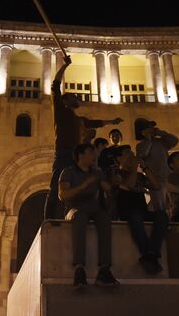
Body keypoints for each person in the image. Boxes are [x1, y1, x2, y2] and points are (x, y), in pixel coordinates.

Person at [44, 57, 123, 219]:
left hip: (77, 158)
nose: (76, 98)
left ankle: (69, 216)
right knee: (56, 188)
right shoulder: (61, 111)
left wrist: (111, 121)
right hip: (65, 153)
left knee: (75, 188)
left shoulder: (79, 120)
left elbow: (95, 123)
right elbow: (54, 86)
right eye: (73, 96)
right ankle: (49, 220)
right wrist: (64, 65)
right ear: (65, 101)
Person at [59, 143, 119, 288]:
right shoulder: (68, 172)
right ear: (80, 155)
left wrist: (111, 185)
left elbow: (108, 189)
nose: (94, 155)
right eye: (90, 152)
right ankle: (79, 269)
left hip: (94, 208)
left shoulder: (97, 172)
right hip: (74, 208)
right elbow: (63, 195)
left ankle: (104, 270)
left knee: (105, 219)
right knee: (79, 218)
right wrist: (84, 185)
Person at [113, 145, 168, 274]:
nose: (132, 155)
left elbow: (156, 186)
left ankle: (151, 253)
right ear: (119, 158)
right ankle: (148, 253)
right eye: (127, 153)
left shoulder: (140, 176)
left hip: (142, 210)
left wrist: (145, 168)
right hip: (126, 210)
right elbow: (129, 185)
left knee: (161, 215)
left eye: (132, 152)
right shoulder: (115, 173)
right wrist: (133, 169)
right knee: (135, 214)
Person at [134, 118, 178, 214]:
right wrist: (149, 140)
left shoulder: (161, 141)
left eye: (152, 127)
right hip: (155, 179)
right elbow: (142, 154)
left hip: (167, 177)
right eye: (149, 128)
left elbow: (174, 141)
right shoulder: (140, 145)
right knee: (160, 206)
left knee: (172, 203)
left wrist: (161, 133)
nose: (152, 129)